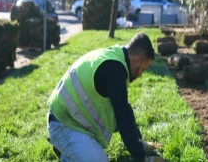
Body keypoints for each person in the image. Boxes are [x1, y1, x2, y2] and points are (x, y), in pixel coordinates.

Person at [47, 32, 167, 162]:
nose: (141, 75)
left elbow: (124, 110)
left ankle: (70, 149)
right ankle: (65, 150)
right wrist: (142, 159)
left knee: (122, 111)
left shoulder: (116, 58)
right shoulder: (114, 70)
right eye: (142, 70)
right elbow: (123, 117)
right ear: (137, 60)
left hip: (72, 118)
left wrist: (139, 144)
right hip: (62, 124)